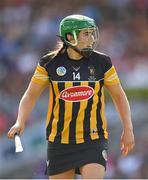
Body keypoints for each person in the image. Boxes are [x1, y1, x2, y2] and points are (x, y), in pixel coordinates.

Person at [7, 14, 135, 179]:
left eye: (92, 33)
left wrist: (128, 128)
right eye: (86, 34)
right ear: (69, 36)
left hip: (93, 139)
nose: (91, 39)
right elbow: (30, 95)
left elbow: (119, 96)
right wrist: (20, 121)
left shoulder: (102, 62)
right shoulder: (49, 63)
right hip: (59, 142)